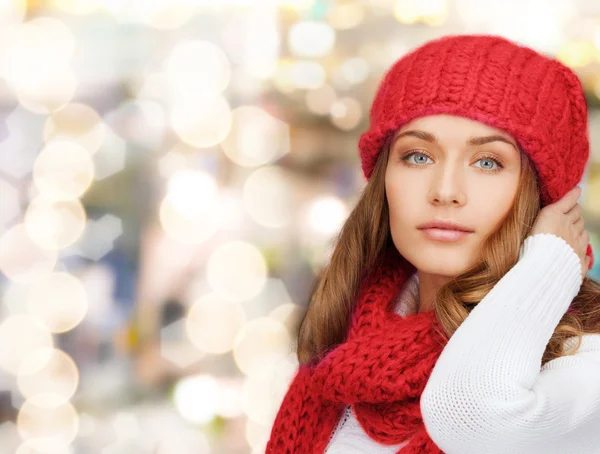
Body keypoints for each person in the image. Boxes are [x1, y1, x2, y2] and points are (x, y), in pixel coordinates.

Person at [265, 34, 600, 454]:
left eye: (488, 162)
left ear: (546, 198)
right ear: (384, 177)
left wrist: (547, 264)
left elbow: (474, 418)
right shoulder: (344, 355)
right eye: (418, 156)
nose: (445, 191)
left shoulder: (584, 364)